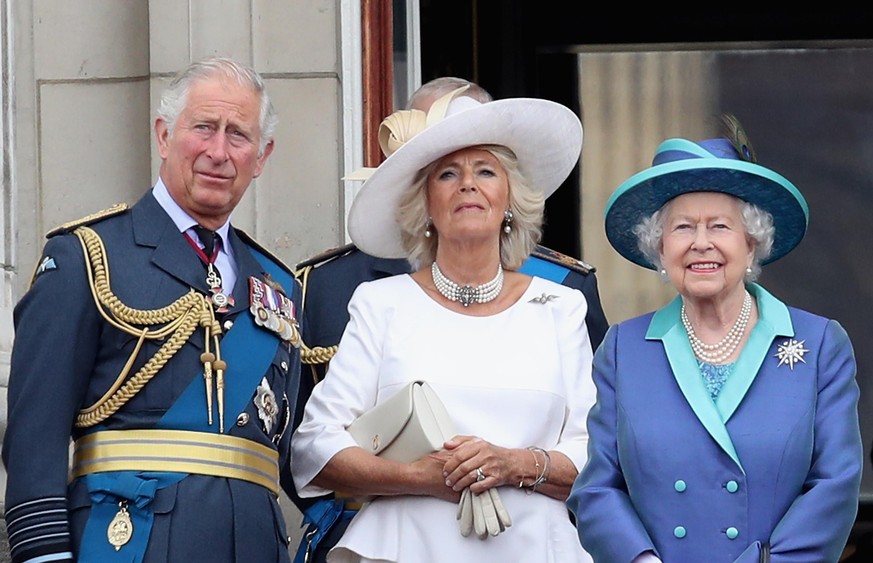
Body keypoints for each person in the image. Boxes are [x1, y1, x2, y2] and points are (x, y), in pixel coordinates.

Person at [290, 77, 607, 562]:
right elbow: (314, 447)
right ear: (426, 210)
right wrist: (420, 477)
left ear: (508, 202)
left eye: (485, 171)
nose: (467, 185)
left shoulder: (561, 307)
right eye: (446, 174)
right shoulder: (380, 303)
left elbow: (597, 454)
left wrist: (512, 464)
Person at [2, 57, 303, 562]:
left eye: (238, 135)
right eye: (203, 127)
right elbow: (35, 436)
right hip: (127, 541)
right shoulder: (88, 255)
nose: (218, 152)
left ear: (262, 155)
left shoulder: (278, 285)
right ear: (164, 136)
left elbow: (294, 449)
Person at [566, 117, 863, 562]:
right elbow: (596, 488)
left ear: (751, 243)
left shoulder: (819, 345)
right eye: (683, 227)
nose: (700, 243)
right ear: (660, 249)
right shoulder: (624, 349)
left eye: (719, 227)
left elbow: (835, 484)